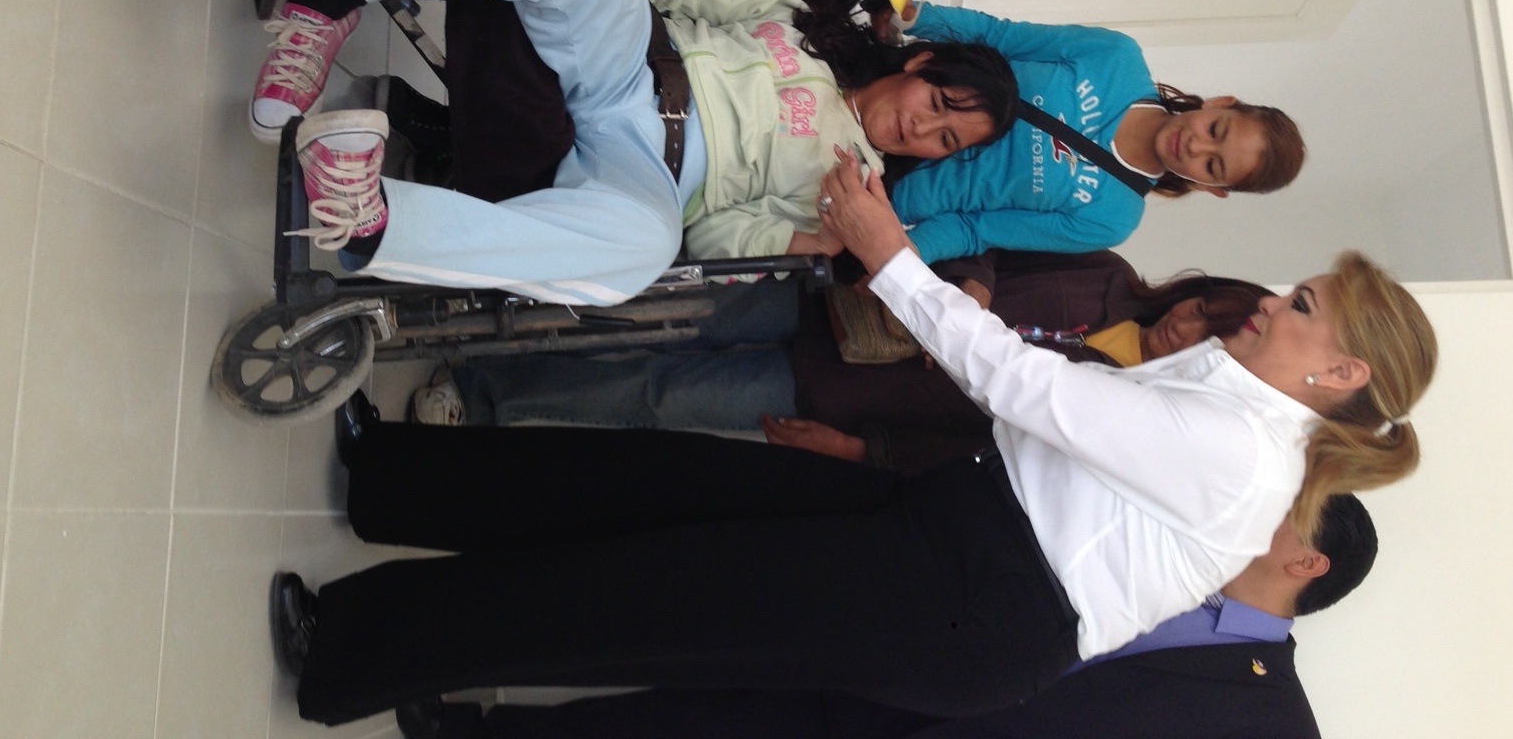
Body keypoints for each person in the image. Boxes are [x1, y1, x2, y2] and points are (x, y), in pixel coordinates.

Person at [267, 226, 1434, 724]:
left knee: (648, 595)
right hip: (949, 522)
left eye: (1301, 305)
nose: (1273, 301)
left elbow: (1033, 396)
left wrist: (895, 263)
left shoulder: (1248, 457)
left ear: (1338, 371)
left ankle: (346, 648)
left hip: (972, 602)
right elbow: (1043, 430)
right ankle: (397, 477)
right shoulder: (1229, 397)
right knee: (656, 484)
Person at [248, 0, 1016, 305]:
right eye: (938, 108)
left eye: (944, 142)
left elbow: (714, 241)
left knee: (641, 256)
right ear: (920, 67)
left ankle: (371, 225)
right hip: (637, 66)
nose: (921, 133)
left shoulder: (858, 196)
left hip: (652, 179)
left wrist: (812, 241)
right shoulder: (798, 25)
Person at [393, 493, 1376, 739]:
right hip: (898, 653)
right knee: (683, 694)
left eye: (1284, 507)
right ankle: (470, 723)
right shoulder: (1166, 560)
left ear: (1308, 562)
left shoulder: (1272, 723)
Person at [420, 250, 1272, 481]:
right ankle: (466, 325)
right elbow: (990, 239)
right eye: (1203, 309)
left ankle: (480, 394)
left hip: (846, 396)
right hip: (838, 305)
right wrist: (973, 289)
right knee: (652, 313)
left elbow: (988, 460)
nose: (1185, 327)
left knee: (660, 392)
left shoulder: (1136, 421)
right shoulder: (1108, 274)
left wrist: (861, 451)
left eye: (1209, 340)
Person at [867, 0, 1306, 264]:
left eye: (1212, 165)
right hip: (889, 104)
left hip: (876, 187)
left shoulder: (1110, 221)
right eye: (1216, 129)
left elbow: (975, 230)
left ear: (1212, 188)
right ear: (1220, 103)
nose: (1195, 146)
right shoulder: (1115, 56)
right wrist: (917, 16)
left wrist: (901, 257)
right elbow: (997, 36)